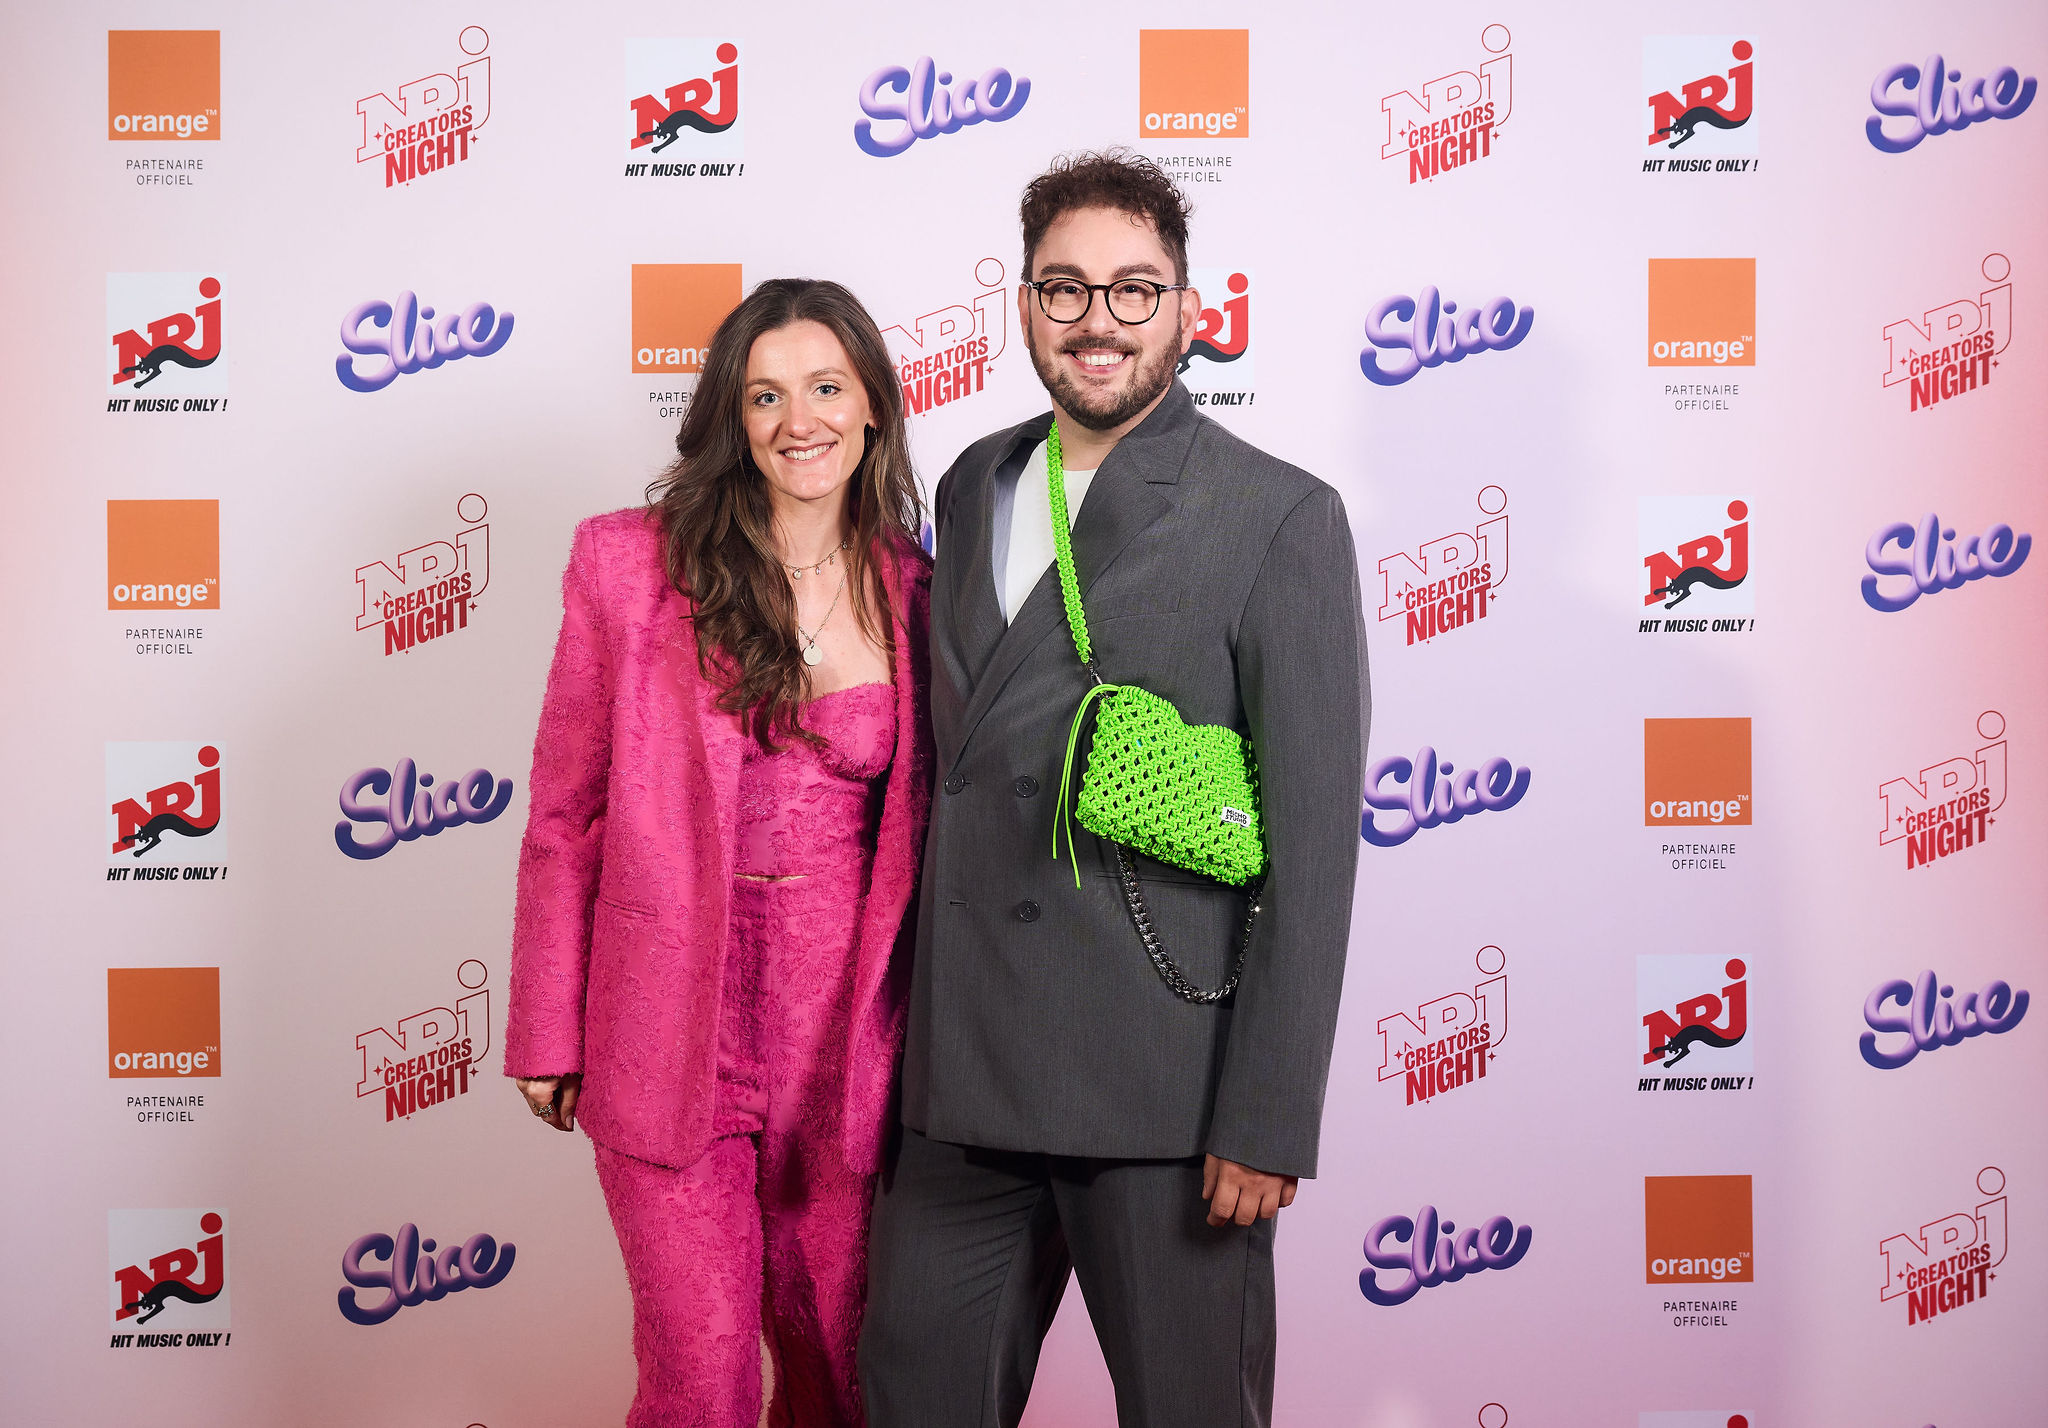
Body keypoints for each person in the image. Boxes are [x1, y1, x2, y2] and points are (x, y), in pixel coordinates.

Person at [858, 151, 1368, 1426]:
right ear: (1025, 304)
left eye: (1133, 289)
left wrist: (1266, 1114)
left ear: (1187, 308)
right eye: (1064, 288)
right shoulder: (974, 480)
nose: (1098, 320)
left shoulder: (1277, 514)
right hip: (961, 1083)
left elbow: (1312, 851)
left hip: (1164, 1091)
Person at [504, 278, 933, 1428]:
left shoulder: (920, 591)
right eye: (765, 395)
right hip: (663, 1028)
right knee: (699, 1376)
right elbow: (565, 813)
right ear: (731, 419)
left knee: (841, 1369)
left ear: (873, 404)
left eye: (826, 387)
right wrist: (547, 1024)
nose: (800, 420)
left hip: (847, 1048)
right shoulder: (627, 566)